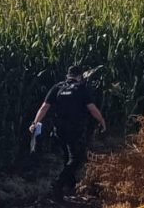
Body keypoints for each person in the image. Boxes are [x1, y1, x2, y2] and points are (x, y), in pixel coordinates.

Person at [29, 65, 107, 200]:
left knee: (67, 157)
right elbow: (92, 109)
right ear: (80, 76)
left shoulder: (58, 87)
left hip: (59, 129)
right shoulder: (81, 88)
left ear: (67, 76)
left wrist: (35, 123)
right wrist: (102, 121)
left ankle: (70, 187)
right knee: (77, 158)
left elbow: (44, 107)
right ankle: (58, 184)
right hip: (74, 129)